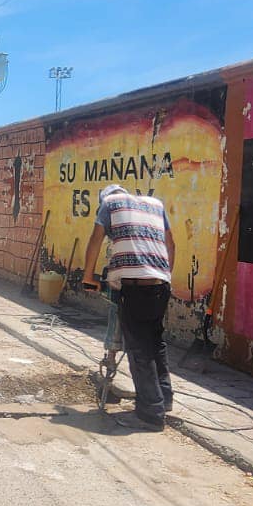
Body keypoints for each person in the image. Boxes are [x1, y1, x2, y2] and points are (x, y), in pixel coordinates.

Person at [81, 184, 176, 432]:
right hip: (161, 284)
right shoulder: (155, 205)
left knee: (139, 350)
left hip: (136, 288)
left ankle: (150, 415)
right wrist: (163, 276)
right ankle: (163, 400)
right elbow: (171, 244)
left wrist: (88, 276)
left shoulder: (108, 205)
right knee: (156, 343)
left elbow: (95, 239)